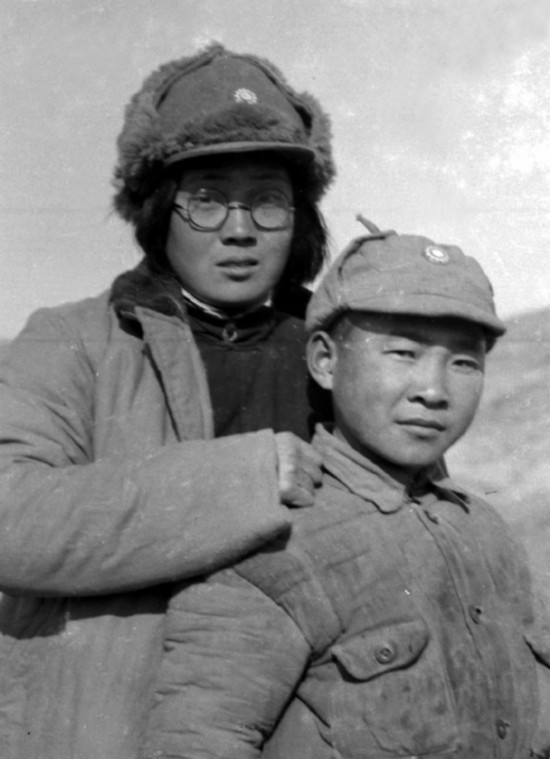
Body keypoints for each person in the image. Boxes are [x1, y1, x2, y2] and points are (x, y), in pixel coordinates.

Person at [0, 43, 335, 758]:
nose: (239, 228)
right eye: (207, 198)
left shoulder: (338, 353)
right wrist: (243, 481)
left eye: (267, 199)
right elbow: (10, 519)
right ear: (159, 210)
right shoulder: (71, 341)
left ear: (299, 216)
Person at [139, 227, 550, 759]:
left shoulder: (485, 531)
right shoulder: (273, 548)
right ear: (325, 361)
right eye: (403, 352)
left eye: (465, 362)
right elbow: (198, 744)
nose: (433, 390)